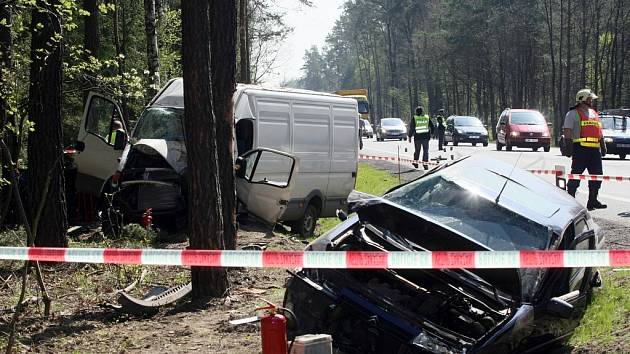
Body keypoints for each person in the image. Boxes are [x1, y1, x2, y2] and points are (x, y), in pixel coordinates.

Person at [563, 88, 607, 210]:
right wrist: (568, 145)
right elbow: (567, 130)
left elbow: (599, 130)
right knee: (576, 175)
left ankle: (592, 201)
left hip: (594, 151)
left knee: (597, 176)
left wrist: (602, 144)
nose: (591, 101)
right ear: (582, 99)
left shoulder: (594, 113)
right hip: (580, 149)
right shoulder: (572, 113)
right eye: (589, 98)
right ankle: (571, 200)